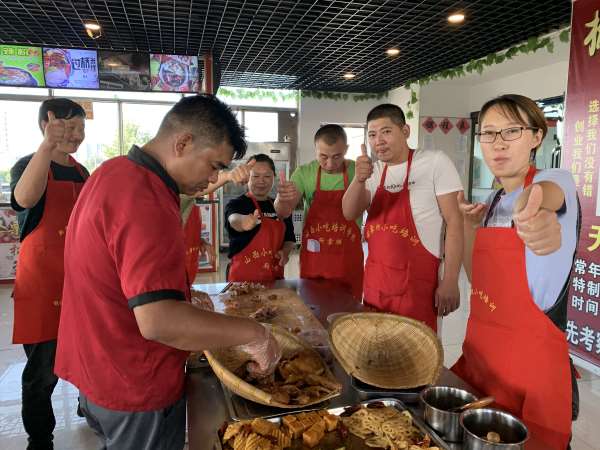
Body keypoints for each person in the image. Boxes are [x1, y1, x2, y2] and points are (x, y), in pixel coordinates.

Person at [54, 95, 281, 450]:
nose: (213, 178)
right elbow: (159, 322)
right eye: (213, 165)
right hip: (134, 381)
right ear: (183, 142)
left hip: (95, 368)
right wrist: (253, 333)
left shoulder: (112, 171)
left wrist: (184, 297)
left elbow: (118, 278)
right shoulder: (146, 197)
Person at [452, 94, 580, 450]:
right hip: (484, 363)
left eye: (512, 130)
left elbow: (543, 197)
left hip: (530, 373)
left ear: (537, 136)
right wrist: (467, 227)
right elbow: (481, 284)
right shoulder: (493, 202)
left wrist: (534, 213)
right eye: (489, 133)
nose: (498, 143)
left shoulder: (557, 179)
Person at [10, 98, 88, 450]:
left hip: (79, 281)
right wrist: (46, 146)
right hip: (42, 285)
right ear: (47, 124)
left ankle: (89, 407)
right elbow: (25, 199)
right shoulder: (28, 165)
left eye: (80, 129)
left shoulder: (82, 172)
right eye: (68, 127)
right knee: (42, 371)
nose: (75, 135)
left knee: (88, 352)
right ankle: (40, 438)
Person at [342, 104, 463, 331]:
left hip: (418, 287)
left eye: (386, 131)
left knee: (418, 356)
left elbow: (455, 222)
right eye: (372, 134)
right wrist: (358, 179)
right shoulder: (373, 171)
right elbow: (349, 212)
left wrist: (450, 280)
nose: (379, 140)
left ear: (405, 131)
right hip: (376, 285)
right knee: (376, 352)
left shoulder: (434, 162)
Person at [275, 124, 364, 298]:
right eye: (323, 156)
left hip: (348, 259)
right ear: (315, 149)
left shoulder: (357, 171)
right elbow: (283, 212)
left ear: (346, 149)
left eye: (337, 156)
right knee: (313, 309)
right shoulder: (304, 173)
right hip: (316, 260)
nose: (330, 164)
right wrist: (282, 199)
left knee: (349, 315)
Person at [181, 159, 255, 284]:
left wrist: (199, 241)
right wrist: (228, 175)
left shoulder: (190, 204)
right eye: (212, 168)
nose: (214, 178)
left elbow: (179, 232)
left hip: (186, 280)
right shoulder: (176, 194)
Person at [225, 153, 296, 282]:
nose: (261, 181)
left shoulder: (281, 207)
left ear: (274, 177)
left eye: (267, 176)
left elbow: (290, 239)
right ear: (247, 178)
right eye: (256, 176)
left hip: (273, 278)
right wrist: (243, 222)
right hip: (242, 282)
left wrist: (285, 252)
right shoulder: (237, 203)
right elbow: (233, 219)